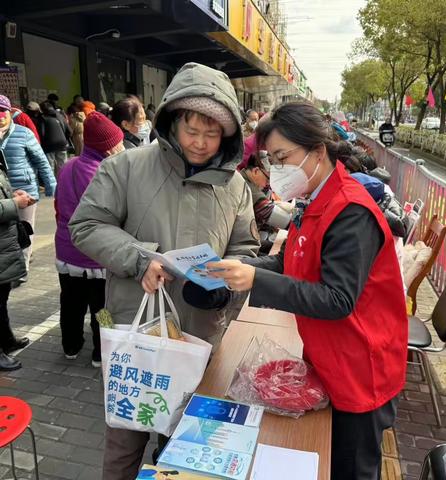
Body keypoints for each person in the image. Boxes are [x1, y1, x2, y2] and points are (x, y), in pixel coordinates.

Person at [69, 62, 259, 480]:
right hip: (136, 333)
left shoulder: (235, 185)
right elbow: (85, 226)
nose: (201, 143)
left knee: (182, 445)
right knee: (124, 442)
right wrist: (141, 258)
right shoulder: (126, 167)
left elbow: (245, 246)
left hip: (200, 334)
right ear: (172, 121)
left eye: (213, 134)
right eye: (193, 130)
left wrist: (228, 286)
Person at [207, 102, 408, 480]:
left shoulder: (350, 212)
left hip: (360, 370)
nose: (277, 170)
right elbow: (290, 265)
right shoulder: (314, 202)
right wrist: (241, 269)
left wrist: (255, 280)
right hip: (331, 356)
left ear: (317, 152)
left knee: (352, 468)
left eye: (283, 158)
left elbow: (337, 300)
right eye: (272, 161)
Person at [55, 112, 125, 368]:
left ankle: (71, 346)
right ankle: (101, 351)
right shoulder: (106, 173)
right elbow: (114, 217)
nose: (122, 146)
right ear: (107, 148)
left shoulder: (67, 166)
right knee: (102, 308)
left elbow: (57, 207)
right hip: (96, 256)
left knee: (70, 303)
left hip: (66, 251)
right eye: (118, 143)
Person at [0, 95, 56, 284]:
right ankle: (11, 267)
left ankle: (22, 269)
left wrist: (51, 186)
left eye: (3, 111)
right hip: (2, 193)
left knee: (24, 230)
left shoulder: (24, 133)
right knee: (7, 233)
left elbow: (41, 160)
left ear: (10, 112)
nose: (0, 115)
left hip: (25, 188)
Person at [0, 156, 32, 371]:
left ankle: (6, 340)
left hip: (4, 244)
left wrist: (11, 196)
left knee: (1, 300)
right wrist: (14, 204)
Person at [240, 153, 292, 253]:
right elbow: (272, 214)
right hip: (240, 244)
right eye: (269, 179)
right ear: (256, 171)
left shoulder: (248, 179)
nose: (270, 183)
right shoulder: (248, 189)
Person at [39, 101, 72, 177]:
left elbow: (42, 133)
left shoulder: (43, 118)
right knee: (63, 165)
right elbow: (69, 131)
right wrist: (64, 138)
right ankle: (63, 181)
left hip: (49, 146)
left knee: (50, 166)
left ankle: (54, 185)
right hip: (62, 144)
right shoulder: (60, 116)